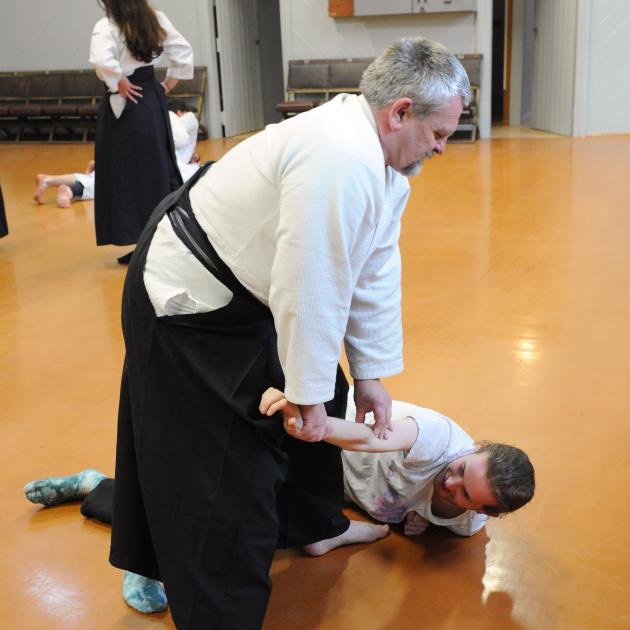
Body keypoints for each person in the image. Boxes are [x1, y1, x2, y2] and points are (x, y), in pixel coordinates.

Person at [111, 36, 471, 629]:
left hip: (251, 286)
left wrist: (372, 377)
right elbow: (313, 284)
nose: (440, 147)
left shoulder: (383, 164)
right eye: (438, 133)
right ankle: (214, 609)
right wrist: (304, 399)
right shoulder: (339, 156)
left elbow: (373, 269)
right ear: (400, 111)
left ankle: (315, 526)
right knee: (226, 469)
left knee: (326, 394)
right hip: (190, 296)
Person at [23, 388, 534, 613]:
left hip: (333, 493)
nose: (452, 485)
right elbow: (369, 440)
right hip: (326, 444)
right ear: (476, 448)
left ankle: (99, 488)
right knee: (233, 512)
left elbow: (432, 509)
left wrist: (417, 519)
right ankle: (133, 529)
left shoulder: (465, 523)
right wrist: (313, 421)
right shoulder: (439, 438)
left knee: (263, 534)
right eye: (463, 471)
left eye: (467, 495)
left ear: (486, 513)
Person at [90, 0, 193, 264]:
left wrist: (118, 81)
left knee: (129, 172)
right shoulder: (155, 19)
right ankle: (158, 241)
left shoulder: (108, 26)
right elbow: (182, 50)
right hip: (149, 98)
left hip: (127, 100)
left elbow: (102, 60)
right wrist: (169, 82)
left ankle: (147, 242)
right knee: (155, 168)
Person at [32, 103, 201, 208]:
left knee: (110, 182)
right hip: (158, 163)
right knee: (115, 184)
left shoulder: (157, 121)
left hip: (142, 158)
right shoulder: (183, 118)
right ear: (180, 111)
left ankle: (54, 182)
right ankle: (69, 189)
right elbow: (178, 139)